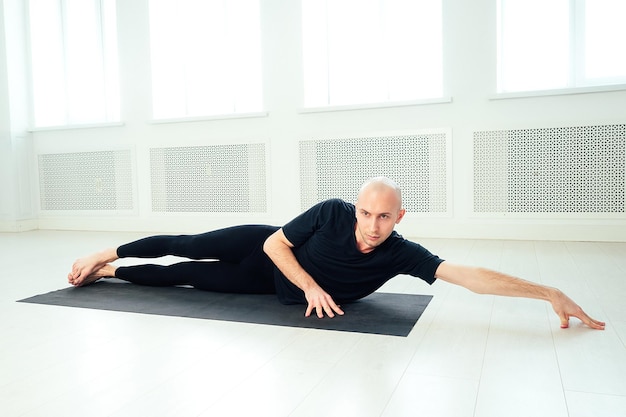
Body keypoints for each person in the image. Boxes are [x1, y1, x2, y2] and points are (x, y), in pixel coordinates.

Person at [68, 177, 605, 330]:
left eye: (384, 217)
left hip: (266, 287)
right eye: (366, 214)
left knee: (183, 278)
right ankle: (104, 251)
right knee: (190, 245)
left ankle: (113, 270)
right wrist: (310, 286)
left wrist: (547, 292)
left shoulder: (400, 253)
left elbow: (467, 275)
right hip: (265, 250)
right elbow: (275, 242)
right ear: (357, 210)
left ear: (399, 218)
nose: (372, 227)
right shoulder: (330, 212)